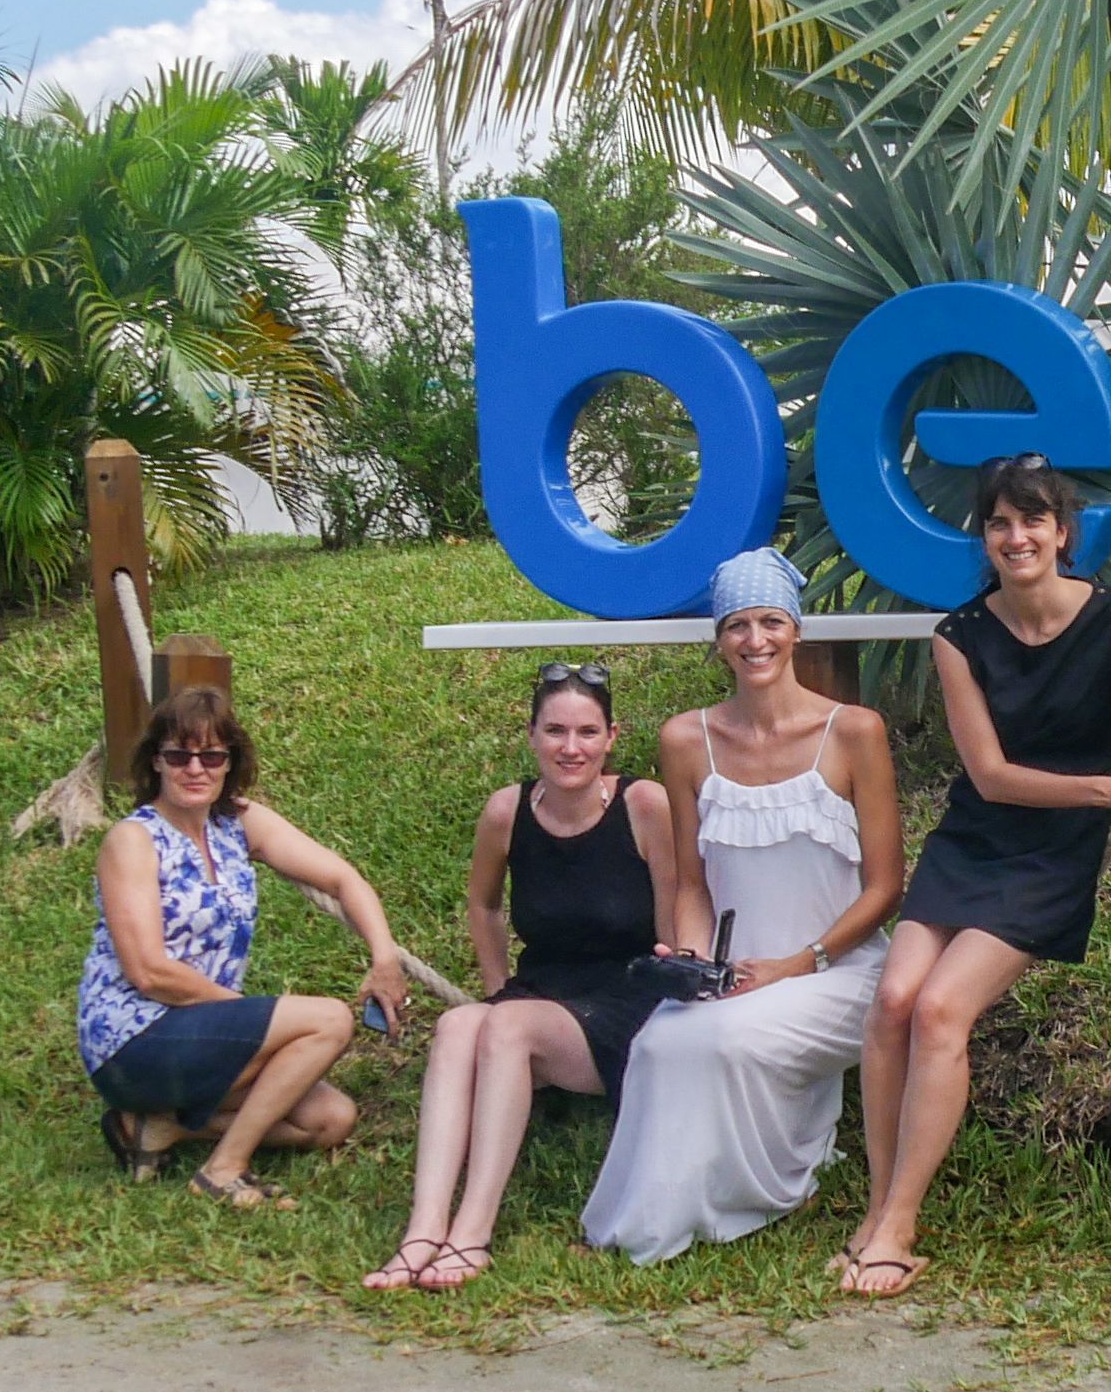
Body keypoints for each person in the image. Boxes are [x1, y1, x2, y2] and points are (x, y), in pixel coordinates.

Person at [838, 457, 1111, 1300]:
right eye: (999, 523)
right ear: (984, 536)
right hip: (974, 837)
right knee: (892, 1003)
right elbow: (987, 775)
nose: (1016, 538)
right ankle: (877, 1207)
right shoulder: (959, 635)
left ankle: (900, 1226)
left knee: (943, 1008)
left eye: (1033, 521)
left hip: (1052, 855)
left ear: (1063, 532)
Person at [583, 550, 907, 1264]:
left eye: (769, 622)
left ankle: (773, 1189)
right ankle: (635, 1224)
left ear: (794, 630)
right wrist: (695, 963)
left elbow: (887, 886)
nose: (754, 640)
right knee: (662, 1041)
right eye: (736, 625)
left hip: (841, 970)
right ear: (717, 638)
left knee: (725, 1042)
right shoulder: (684, 739)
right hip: (735, 970)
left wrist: (798, 963)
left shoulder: (853, 731)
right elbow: (691, 884)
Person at [364, 662, 674, 1293]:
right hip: (536, 996)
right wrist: (496, 983)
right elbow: (483, 904)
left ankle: (471, 1233)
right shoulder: (507, 811)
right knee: (457, 1026)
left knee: (504, 1028)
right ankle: (424, 1228)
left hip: (624, 1005)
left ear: (613, 736)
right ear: (531, 734)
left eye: (587, 732)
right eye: (555, 730)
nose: (571, 747)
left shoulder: (645, 804)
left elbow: (676, 910)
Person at [75, 684, 405, 1210]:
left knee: (331, 1119)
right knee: (328, 1020)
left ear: (231, 763)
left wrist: (384, 958)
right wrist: (255, 1021)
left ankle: (160, 1129)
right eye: (179, 755)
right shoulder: (133, 841)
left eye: (211, 755)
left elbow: (343, 879)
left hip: (204, 1035)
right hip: (134, 1041)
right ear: (156, 762)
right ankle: (223, 1168)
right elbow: (149, 973)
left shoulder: (238, 825)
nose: (195, 769)